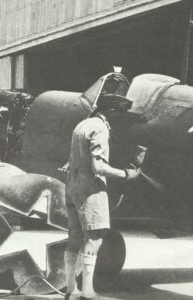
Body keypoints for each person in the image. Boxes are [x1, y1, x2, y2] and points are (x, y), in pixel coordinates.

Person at [64, 94, 140, 300]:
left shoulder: (82, 124)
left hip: (72, 186)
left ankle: (71, 289)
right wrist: (126, 174)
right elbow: (98, 167)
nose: (122, 118)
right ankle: (87, 291)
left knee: (74, 238)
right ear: (111, 112)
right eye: (120, 113)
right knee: (95, 237)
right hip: (90, 189)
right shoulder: (100, 129)